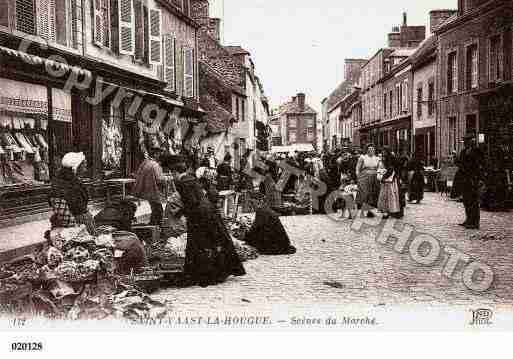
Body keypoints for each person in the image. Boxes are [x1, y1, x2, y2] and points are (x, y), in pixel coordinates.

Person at [170, 156, 246, 287]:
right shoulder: (192, 179)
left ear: (175, 172)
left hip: (199, 216)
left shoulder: (182, 183)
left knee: (199, 245)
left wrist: (182, 214)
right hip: (208, 211)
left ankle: (203, 274)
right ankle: (221, 270)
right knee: (213, 241)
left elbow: (191, 202)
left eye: (172, 174)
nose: (172, 176)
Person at [48, 152, 98, 235]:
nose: (85, 169)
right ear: (75, 167)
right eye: (84, 165)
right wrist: (77, 230)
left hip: (83, 222)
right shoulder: (62, 186)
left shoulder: (74, 182)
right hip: (75, 225)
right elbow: (64, 214)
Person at [456, 133, 484, 229]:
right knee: (466, 200)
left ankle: (475, 222)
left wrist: (478, 178)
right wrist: (456, 160)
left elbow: (480, 164)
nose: (465, 143)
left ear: (471, 141)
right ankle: (468, 219)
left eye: (467, 141)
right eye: (465, 141)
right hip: (464, 179)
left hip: (473, 179)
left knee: (473, 201)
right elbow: (460, 163)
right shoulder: (463, 151)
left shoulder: (477, 151)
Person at [134, 146, 166, 226]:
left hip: (146, 191)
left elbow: (138, 175)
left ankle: (152, 225)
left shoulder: (144, 163)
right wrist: (167, 179)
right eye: (159, 154)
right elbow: (159, 179)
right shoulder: (155, 165)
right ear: (155, 154)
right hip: (154, 192)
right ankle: (155, 228)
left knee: (155, 209)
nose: (160, 155)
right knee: (158, 211)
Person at [356, 143, 380, 217]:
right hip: (364, 177)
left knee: (373, 194)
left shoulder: (377, 158)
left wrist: (379, 175)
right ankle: (364, 210)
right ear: (366, 150)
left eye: (372, 149)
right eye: (369, 149)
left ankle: (370, 211)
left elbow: (379, 168)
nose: (371, 150)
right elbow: (357, 168)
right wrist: (358, 177)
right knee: (365, 193)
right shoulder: (362, 157)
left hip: (374, 177)